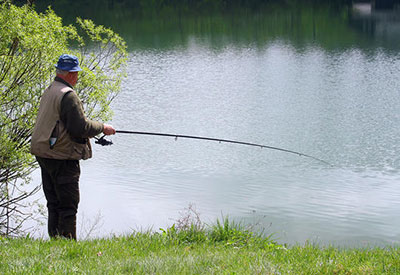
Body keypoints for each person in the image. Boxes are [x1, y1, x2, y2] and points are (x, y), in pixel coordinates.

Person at [30, 54, 116, 240]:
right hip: (62, 156)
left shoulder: (51, 89)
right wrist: (103, 127)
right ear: (70, 74)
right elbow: (80, 127)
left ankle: (55, 244)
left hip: (45, 153)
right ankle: (67, 246)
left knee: (53, 203)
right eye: (76, 73)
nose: (77, 77)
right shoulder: (68, 95)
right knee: (68, 205)